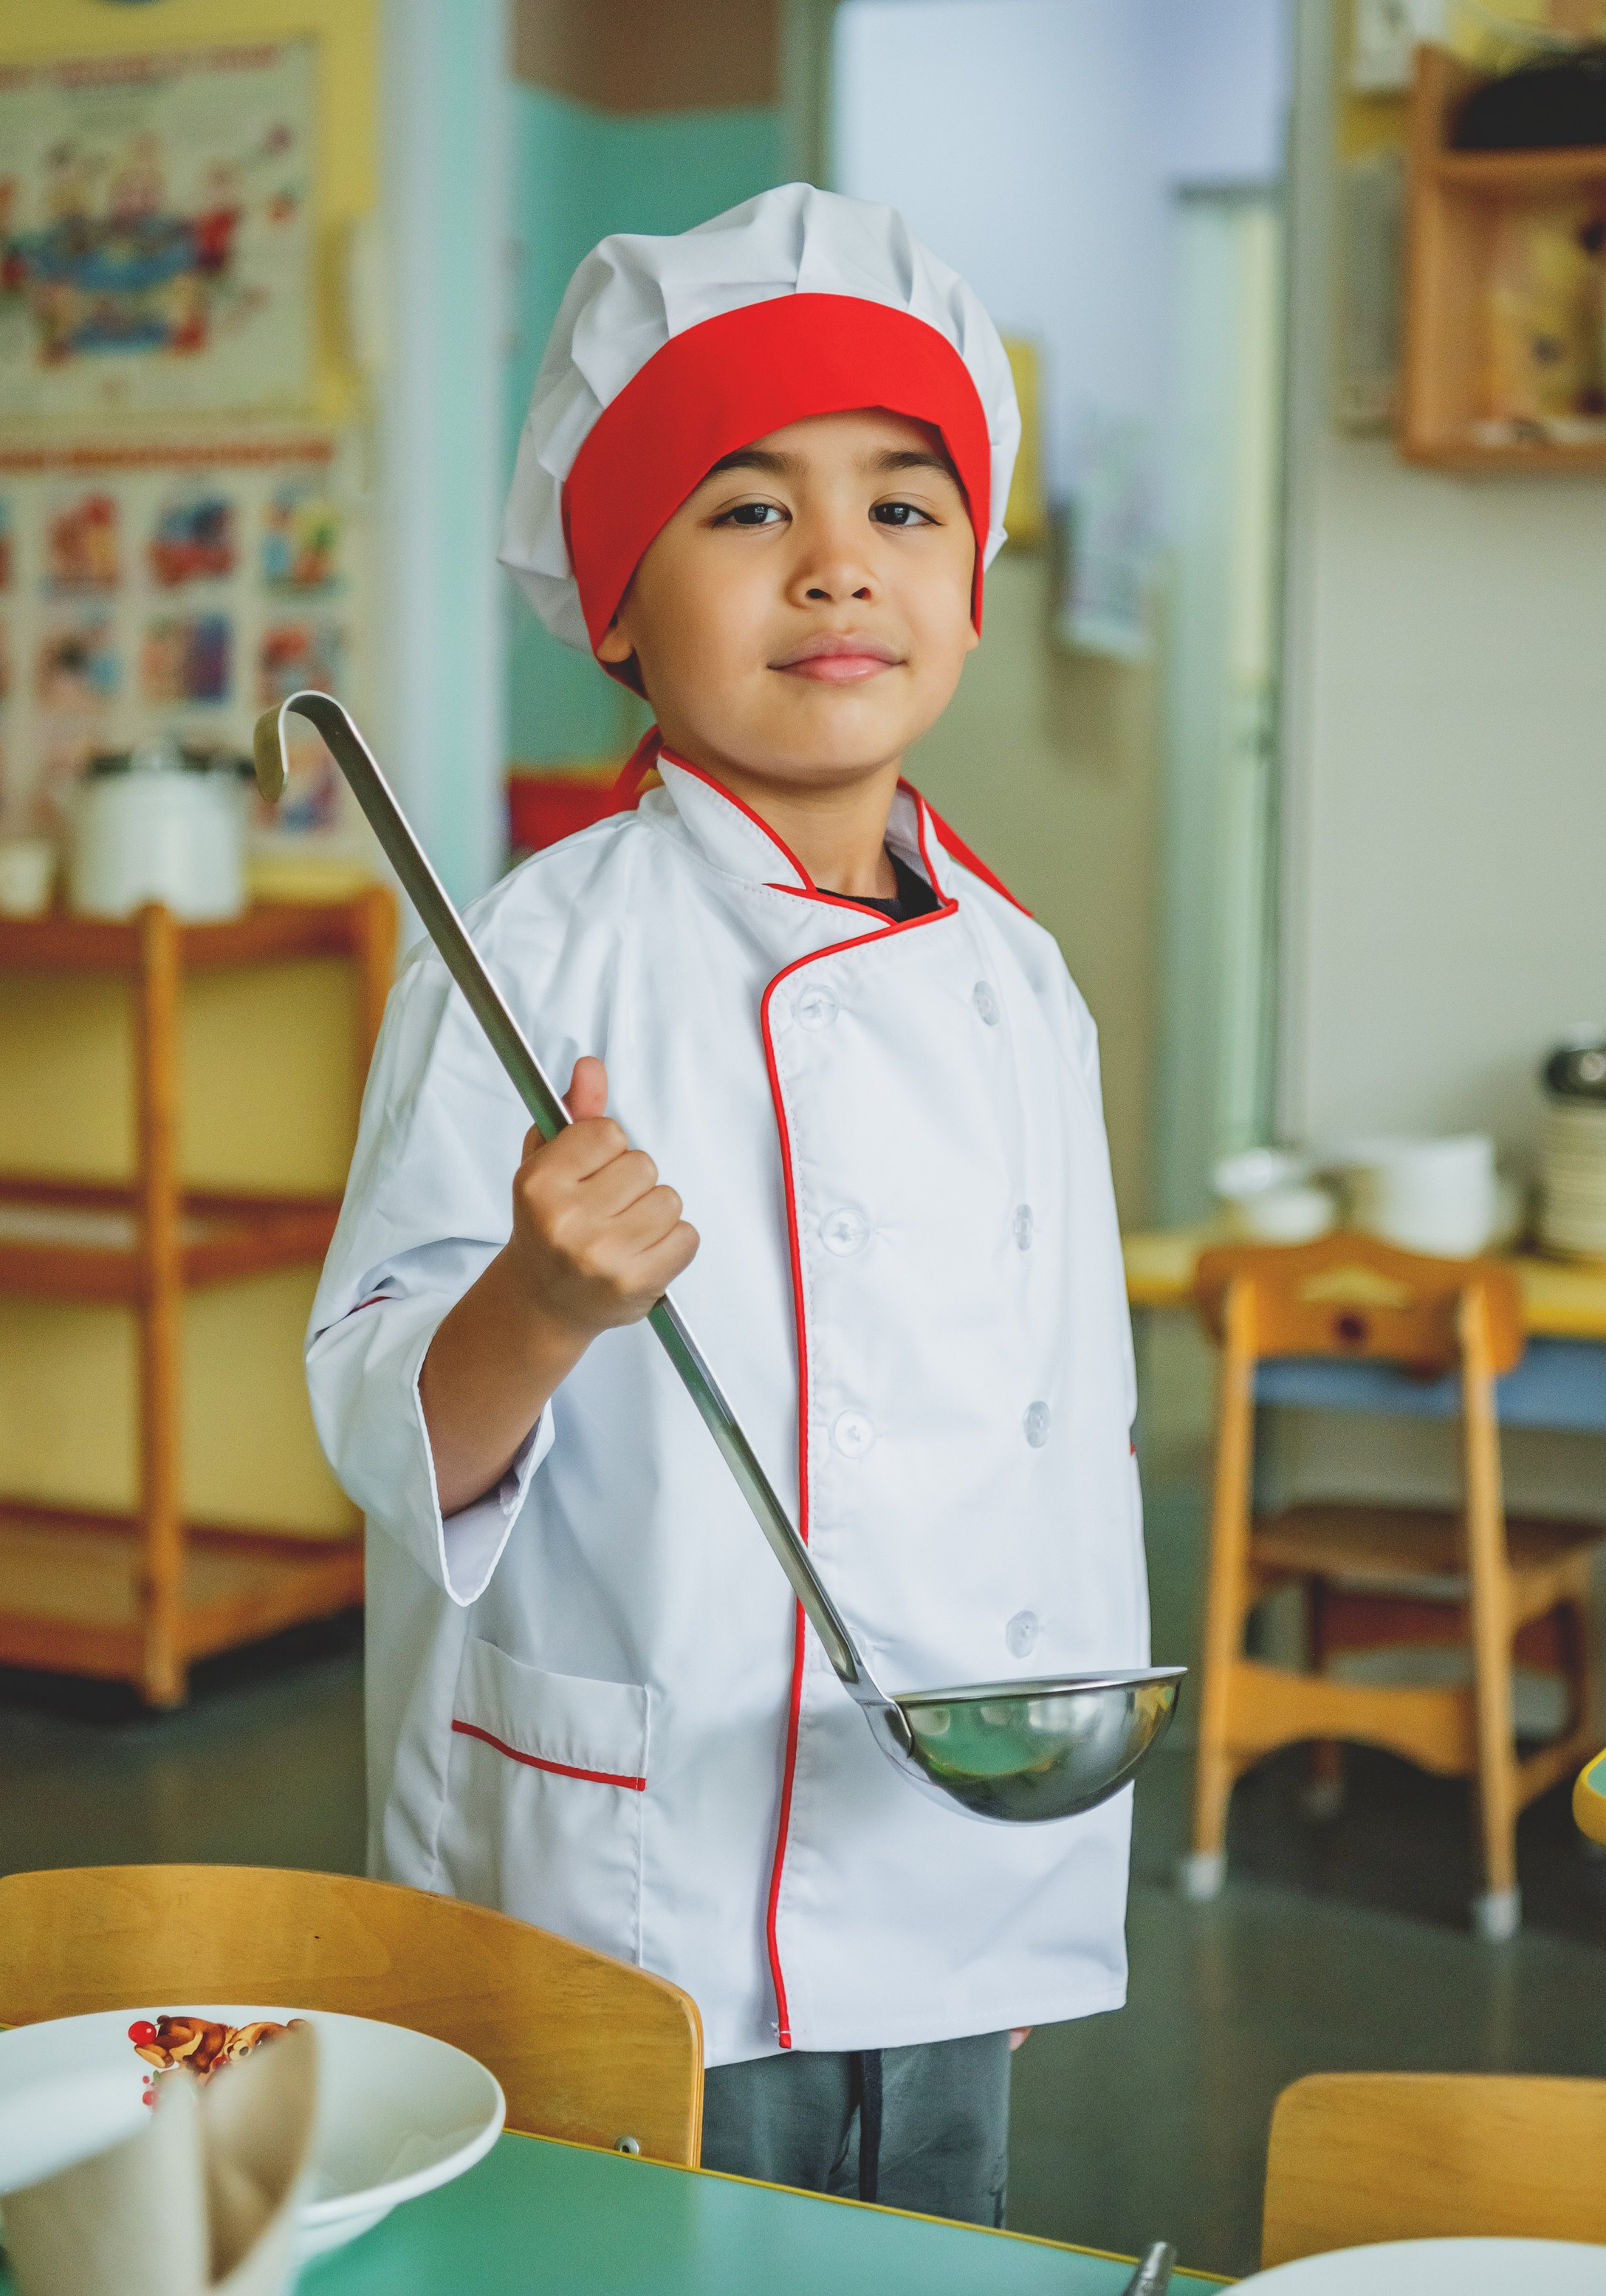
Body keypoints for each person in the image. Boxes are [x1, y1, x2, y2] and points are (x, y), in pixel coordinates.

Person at [306, 183, 1150, 2227]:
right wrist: (537, 1296)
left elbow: (1072, 1438)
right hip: (645, 1847)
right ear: (615, 603)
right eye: (748, 509)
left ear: (972, 587)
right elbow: (382, 1421)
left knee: (923, 2264)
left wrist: (1034, 1835)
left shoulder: (1020, 980)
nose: (840, 566)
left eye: (904, 508)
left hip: (951, 1854)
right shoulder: (523, 959)